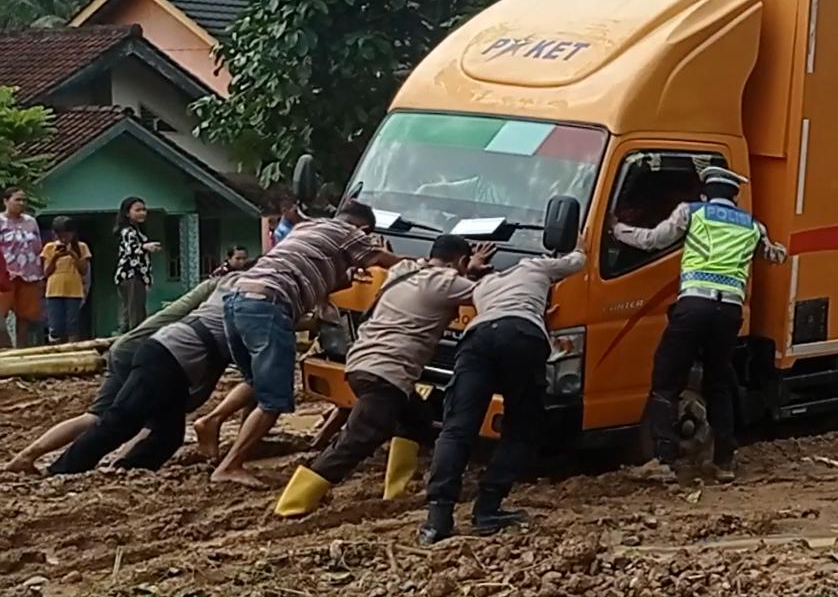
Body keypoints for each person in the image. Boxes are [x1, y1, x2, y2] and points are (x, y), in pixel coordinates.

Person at [275, 236, 494, 517]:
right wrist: (476, 270)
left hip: (362, 363)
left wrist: (466, 269)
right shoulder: (445, 283)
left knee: (417, 419)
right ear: (461, 261)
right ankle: (293, 503)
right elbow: (489, 292)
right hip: (386, 374)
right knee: (358, 439)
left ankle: (397, 491)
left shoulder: (404, 269)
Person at [611, 166, 787, 484]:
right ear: (734, 197)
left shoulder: (692, 212)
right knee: (718, 381)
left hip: (694, 306)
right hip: (729, 313)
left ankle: (663, 459)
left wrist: (617, 229)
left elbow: (652, 240)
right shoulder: (752, 225)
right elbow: (774, 255)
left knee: (667, 379)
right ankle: (724, 462)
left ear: (705, 195)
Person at [212, 201, 402, 487]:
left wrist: (346, 276)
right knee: (274, 400)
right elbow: (385, 260)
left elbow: (317, 275)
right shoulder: (350, 233)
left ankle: (216, 424)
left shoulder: (309, 227)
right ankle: (230, 465)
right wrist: (431, 265)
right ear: (363, 229)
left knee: (257, 384)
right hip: (269, 305)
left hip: (237, 300)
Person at [419, 245, 586, 545]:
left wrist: (473, 269)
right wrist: (581, 246)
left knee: (457, 428)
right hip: (522, 335)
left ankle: (437, 519)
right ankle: (488, 508)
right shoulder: (535, 266)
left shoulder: (483, 285)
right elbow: (576, 263)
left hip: (477, 339)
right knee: (521, 426)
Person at [3, 276, 224, 472]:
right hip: (147, 351)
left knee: (104, 418)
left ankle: (28, 456)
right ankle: (104, 465)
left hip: (134, 347)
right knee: (122, 419)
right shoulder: (222, 292)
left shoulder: (216, 287)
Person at [0, 187, 44, 347]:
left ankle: (21, 350)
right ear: (6, 201)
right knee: (1, 315)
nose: (21, 203)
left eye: (24, 200)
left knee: (25, 316)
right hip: (5, 276)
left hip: (29, 275)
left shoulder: (31, 222)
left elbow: (38, 247)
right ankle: (4, 350)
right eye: (17, 199)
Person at [41, 217, 91, 344]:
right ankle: (56, 349)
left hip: (74, 290)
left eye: (67, 234)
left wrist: (73, 254)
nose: (64, 238)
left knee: (72, 325)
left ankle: (73, 348)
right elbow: (46, 272)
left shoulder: (81, 247)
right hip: (54, 290)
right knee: (55, 325)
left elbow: (84, 270)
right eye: (60, 235)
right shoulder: (49, 247)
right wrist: (55, 257)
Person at [114, 196, 161, 332]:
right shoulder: (127, 231)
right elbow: (131, 250)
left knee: (134, 310)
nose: (142, 213)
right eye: (138, 210)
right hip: (131, 275)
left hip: (137, 276)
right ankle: (134, 338)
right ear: (127, 213)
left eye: (144, 210)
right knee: (135, 313)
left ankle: (127, 336)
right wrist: (146, 247)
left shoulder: (137, 230)